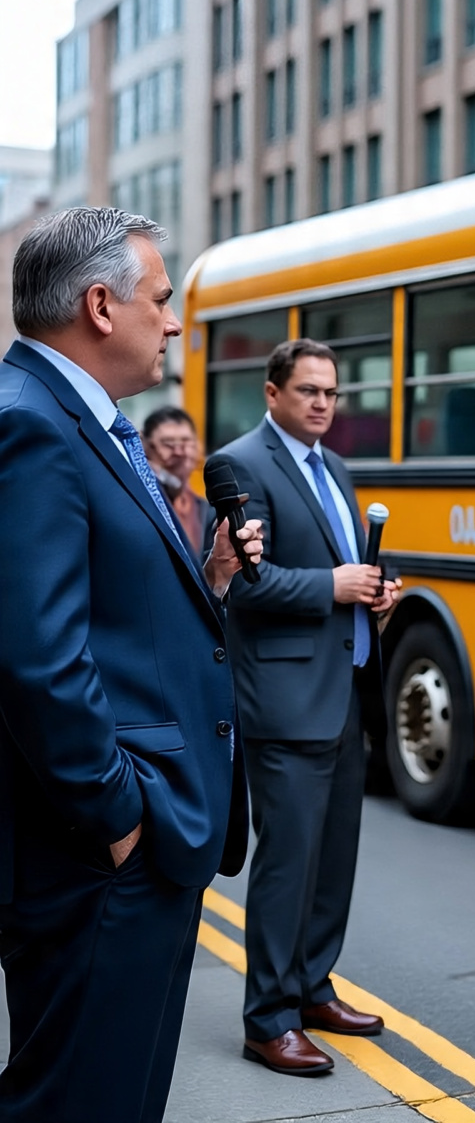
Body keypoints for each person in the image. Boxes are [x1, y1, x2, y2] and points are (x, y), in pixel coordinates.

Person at [0, 206, 262, 1122]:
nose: (176, 320)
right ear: (101, 306)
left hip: (126, 845)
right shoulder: (33, 425)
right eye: (162, 298)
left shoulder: (82, 416)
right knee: (85, 1098)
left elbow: (105, 610)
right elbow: (36, 654)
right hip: (102, 854)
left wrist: (209, 582)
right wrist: (118, 815)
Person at [208, 338, 400, 1075]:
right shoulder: (243, 466)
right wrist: (334, 588)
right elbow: (247, 584)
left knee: (332, 860)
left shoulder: (335, 467)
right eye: (308, 391)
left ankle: (313, 987)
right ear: (272, 392)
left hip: (344, 687)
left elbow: (346, 562)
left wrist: (376, 591)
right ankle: (268, 1019)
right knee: (287, 863)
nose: (323, 403)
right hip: (286, 700)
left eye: (331, 392)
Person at [143, 405, 212, 555]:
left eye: (186, 442)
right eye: (168, 443)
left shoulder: (205, 510)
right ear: (145, 446)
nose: (179, 452)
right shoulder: (141, 504)